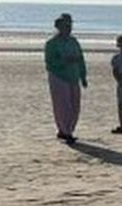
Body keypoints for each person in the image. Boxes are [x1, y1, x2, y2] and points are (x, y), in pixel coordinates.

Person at [44, 13, 86, 144]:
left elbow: (81, 58)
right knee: (63, 106)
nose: (68, 28)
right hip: (58, 76)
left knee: (75, 105)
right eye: (65, 25)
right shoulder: (52, 43)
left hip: (73, 76)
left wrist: (83, 75)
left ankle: (67, 130)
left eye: (70, 25)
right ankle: (65, 131)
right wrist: (64, 61)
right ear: (58, 26)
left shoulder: (73, 41)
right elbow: (49, 62)